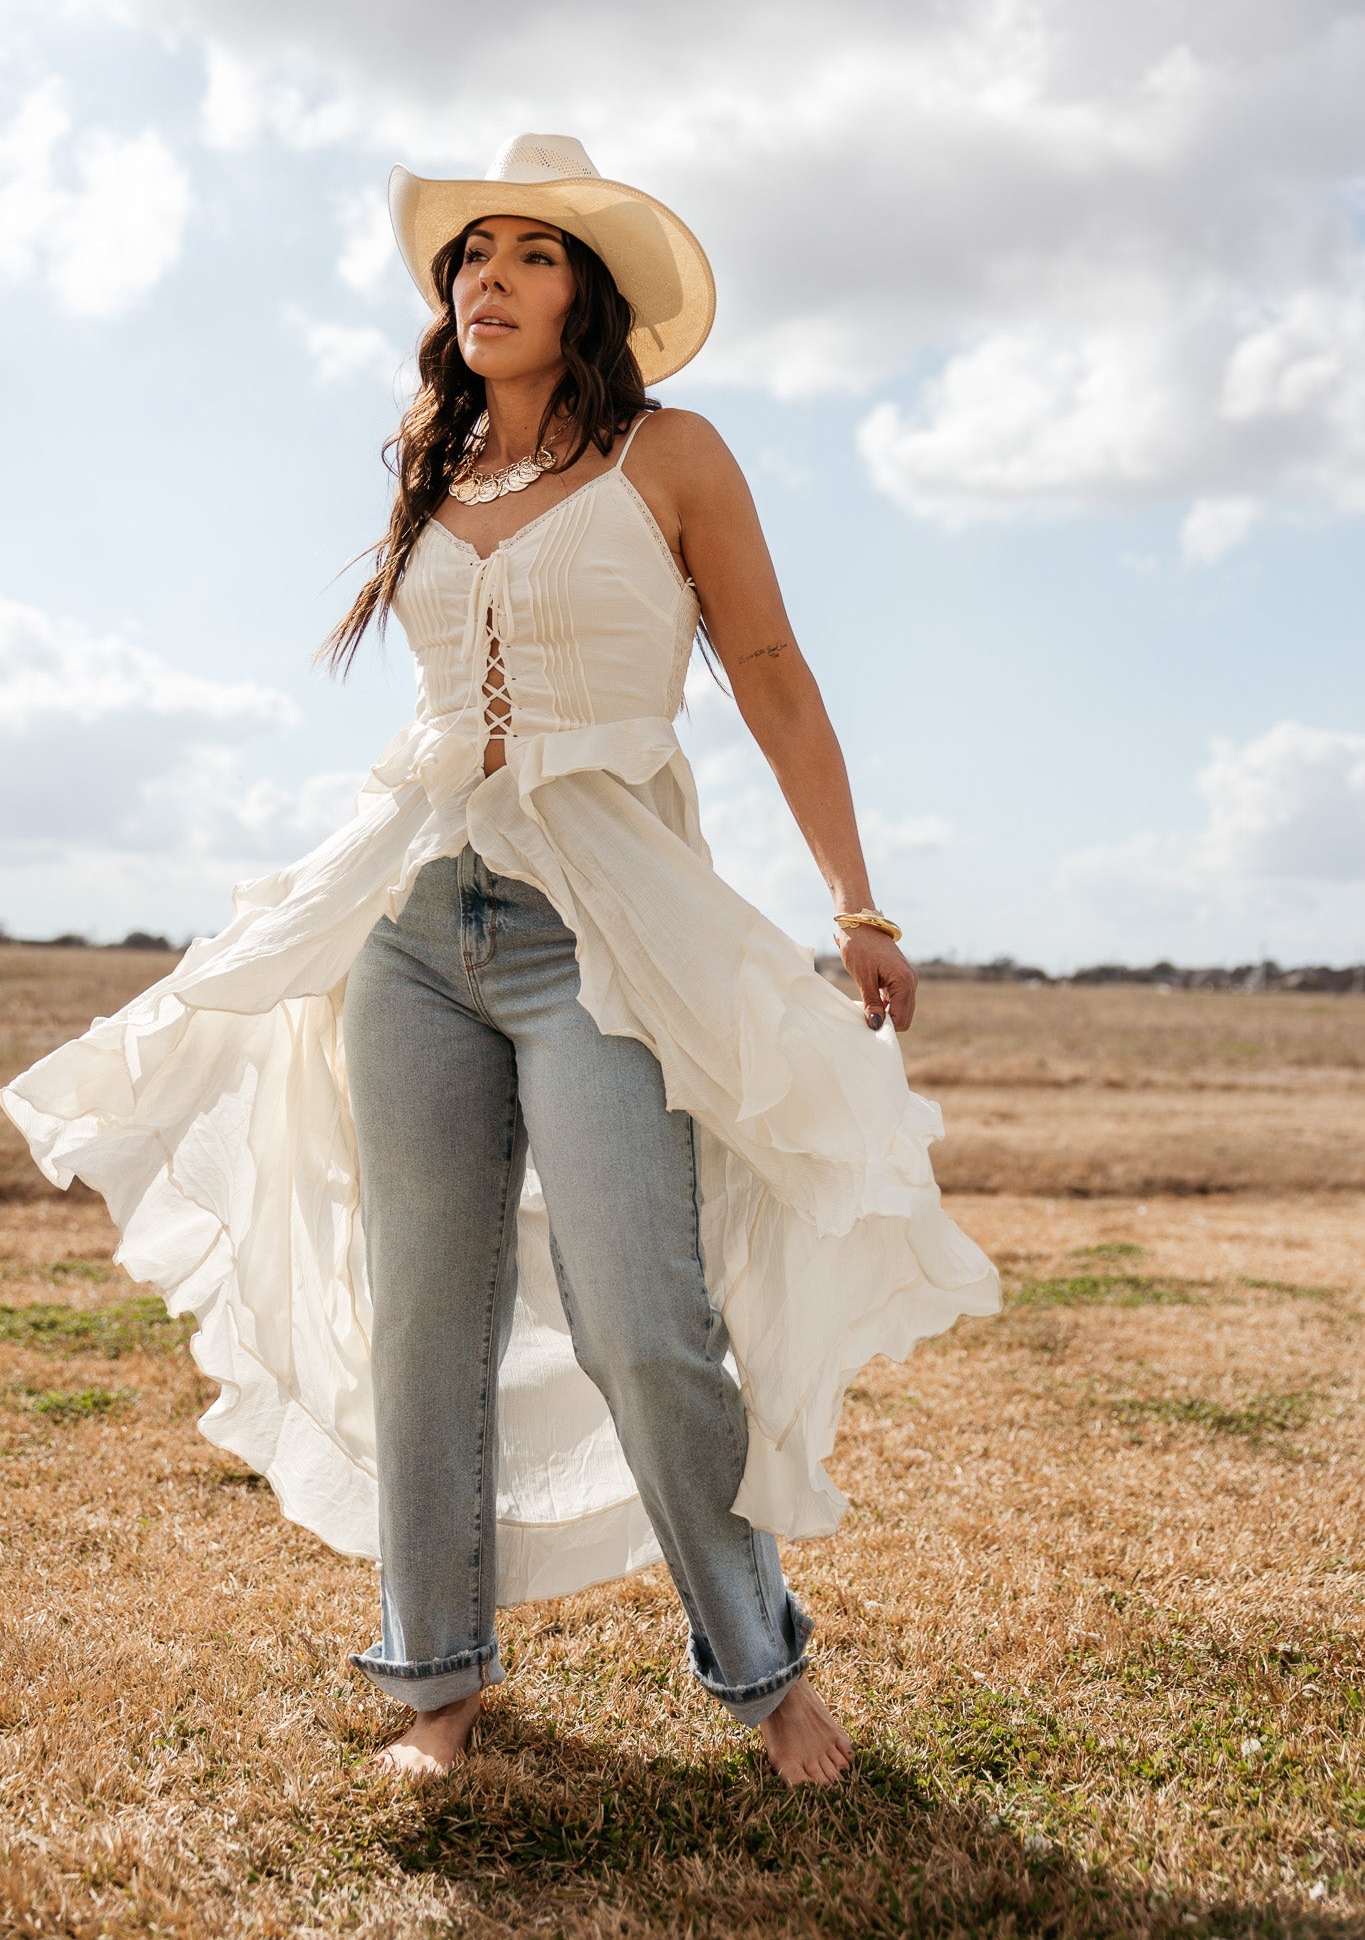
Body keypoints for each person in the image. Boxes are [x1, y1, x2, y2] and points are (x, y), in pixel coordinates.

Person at [2, 134, 1001, 1790]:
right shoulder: (430, 462)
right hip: (415, 921)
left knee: (641, 1321)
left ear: (587, 295)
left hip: (602, 928)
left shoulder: (669, 456)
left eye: (533, 255)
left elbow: (766, 667)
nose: (489, 278)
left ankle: (761, 1672)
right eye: (472, 253)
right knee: (426, 1319)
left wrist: (859, 904)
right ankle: (436, 1686)